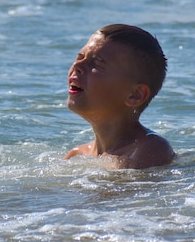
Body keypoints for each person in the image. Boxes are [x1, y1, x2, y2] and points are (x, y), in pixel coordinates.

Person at [64, 24, 175, 169]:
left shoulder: (151, 148)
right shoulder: (76, 155)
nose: (77, 65)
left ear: (135, 95)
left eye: (97, 63)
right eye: (79, 57)